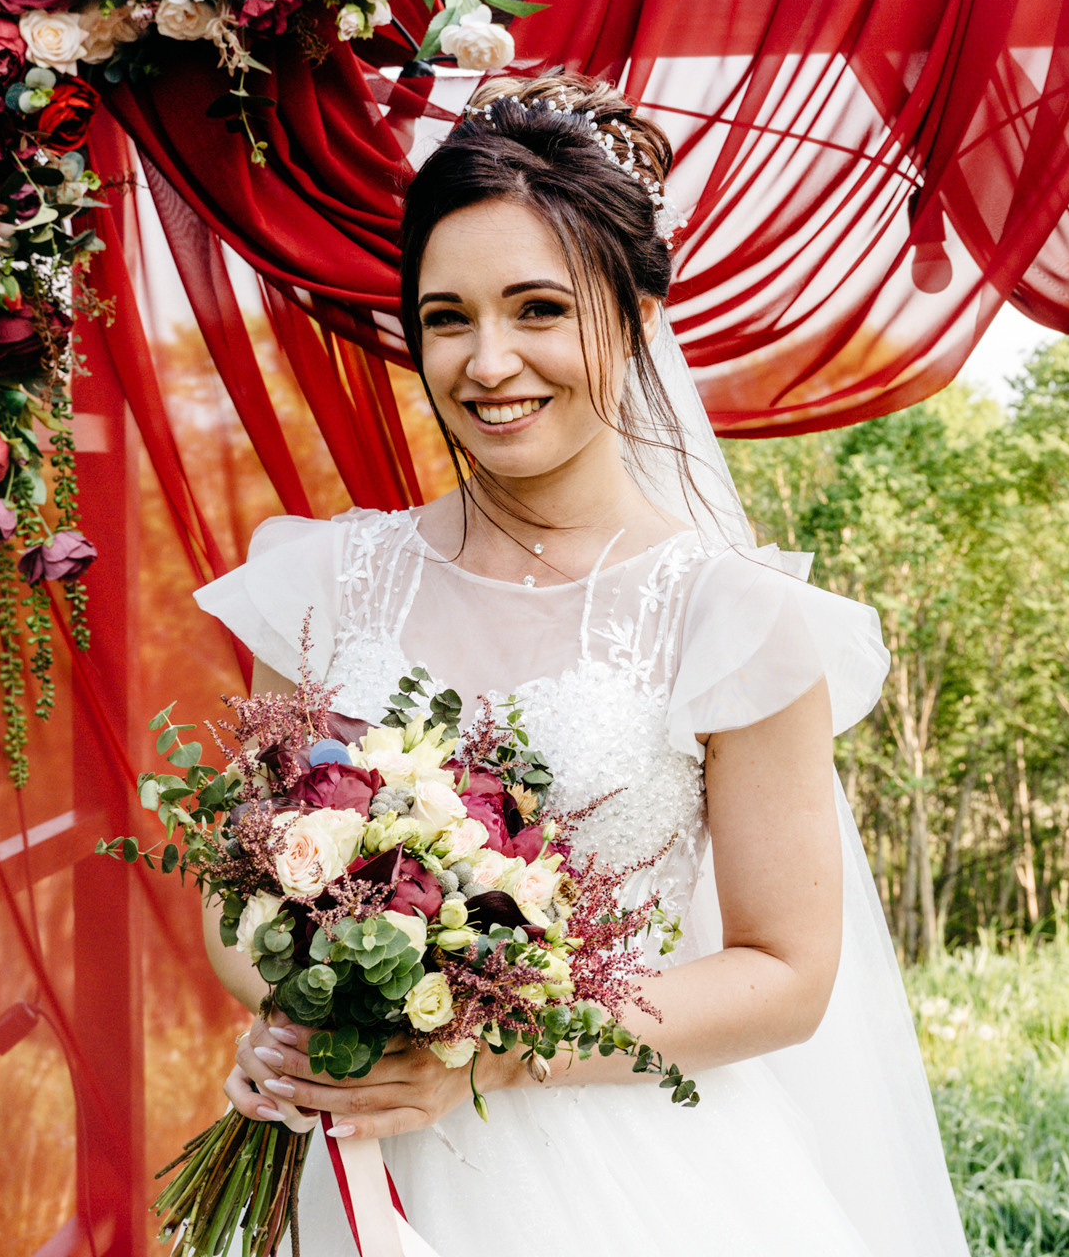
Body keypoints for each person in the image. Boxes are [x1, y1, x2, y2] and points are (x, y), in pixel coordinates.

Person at [192, 72, 969, 1257]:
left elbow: (787, 973)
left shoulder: (734, 617)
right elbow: (237, 907)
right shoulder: (321, 584)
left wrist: (486, 1048)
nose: (488, 361)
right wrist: (294, 1016)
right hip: (362, 1176)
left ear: (639, 313)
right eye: (447, 316)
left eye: (539, 308)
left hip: (638, 1185)